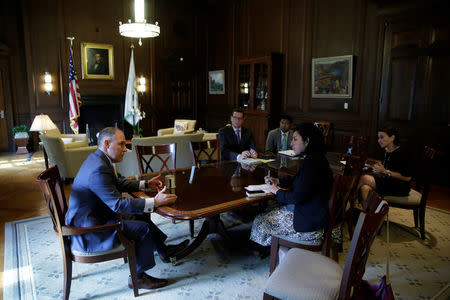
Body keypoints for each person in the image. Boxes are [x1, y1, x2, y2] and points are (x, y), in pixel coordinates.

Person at [65, 127, 188, 290]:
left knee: (141, 213)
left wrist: (145, 184)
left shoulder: (99, 159)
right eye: (122, 144)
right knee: (142, 228)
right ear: (107, 143)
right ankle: (138, 278)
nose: (126, 149)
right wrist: (155, 202)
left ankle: (163, 250)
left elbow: (116, 184)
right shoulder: (99, 169)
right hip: (90, 231)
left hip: (94, 217)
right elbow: (117, 204)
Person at [250, 122, 333, 247]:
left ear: (307, 141)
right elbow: (301, 181)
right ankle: (282, 249)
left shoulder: (311, 163)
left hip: (309, 223)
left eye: (295, 139)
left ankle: (281, 248)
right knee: (270, 209)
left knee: (259, 220)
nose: (291, 143)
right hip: (316, 213)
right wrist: (278, 181)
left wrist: (276, 190)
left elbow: (296, 197)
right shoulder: (317, 158)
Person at [358, 125, 412, 202]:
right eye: (378, 137)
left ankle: (345, 200)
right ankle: (371, 213)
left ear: (392, 138)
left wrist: (384, 171)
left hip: (399, 186)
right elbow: (386, 166)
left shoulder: (403, 153)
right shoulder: (386, 150)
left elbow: (407, 178)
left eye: (382, 137)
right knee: (365, 188)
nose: (379, 140)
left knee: (365, 178)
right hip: (387, 181)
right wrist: (375, 167)